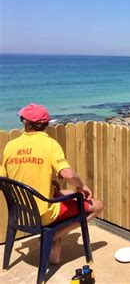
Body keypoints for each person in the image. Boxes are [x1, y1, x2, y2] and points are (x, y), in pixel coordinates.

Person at [0, 103, 104, 264]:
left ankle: (54, 243)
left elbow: (4, 179)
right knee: (97, 205)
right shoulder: (49, 145)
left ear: (26, 122)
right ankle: (52, 236)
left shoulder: (10, 146)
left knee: (68, 194)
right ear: (46, 124)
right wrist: (81, 186)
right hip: (44, 214)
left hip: (21, 213)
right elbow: (67, 174)